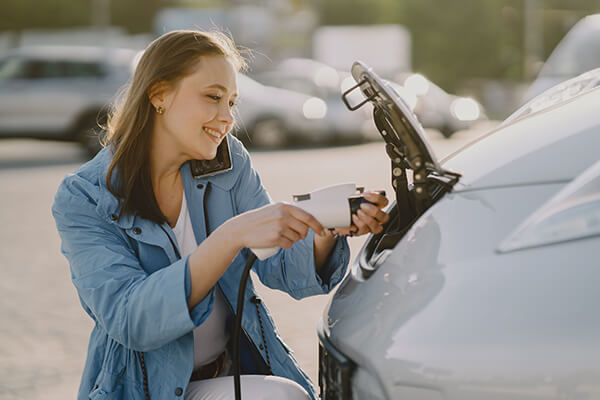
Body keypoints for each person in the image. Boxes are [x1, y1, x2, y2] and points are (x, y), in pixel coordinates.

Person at [52, 30, 389, 400]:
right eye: (213, 97)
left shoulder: (229, 162)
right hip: (143, 391)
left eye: (232, 102)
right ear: (158, 94)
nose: (227, 118)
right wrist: (230, 237)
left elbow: (281, 267)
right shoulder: (84, 197)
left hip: (231, 372)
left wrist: (325, 228)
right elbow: (131, 320)